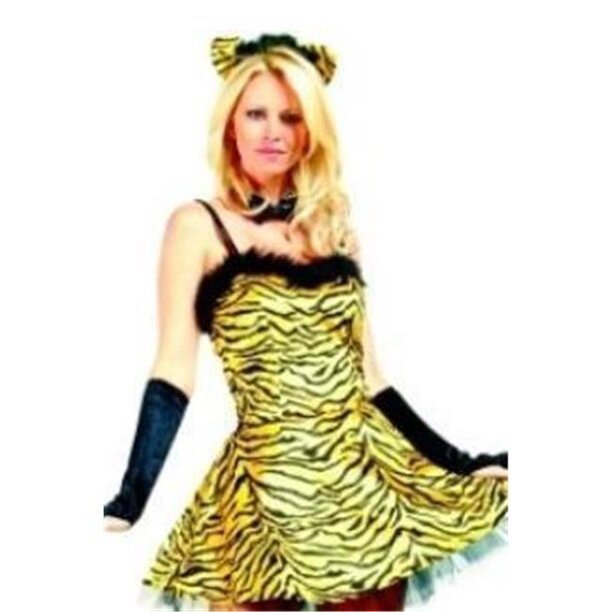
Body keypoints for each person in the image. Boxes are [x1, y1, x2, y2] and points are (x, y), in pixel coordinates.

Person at [103, 33, 509, 611]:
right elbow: (173, 369)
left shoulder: (333, 227)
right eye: (257, 114)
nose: (273, 132)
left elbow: (372, 379)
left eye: (291, 117)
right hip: (266, 491)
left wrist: (459, 462)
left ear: (310, 131)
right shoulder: (196, 227)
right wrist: (134, 490)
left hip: (361, 491)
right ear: (230, 124)